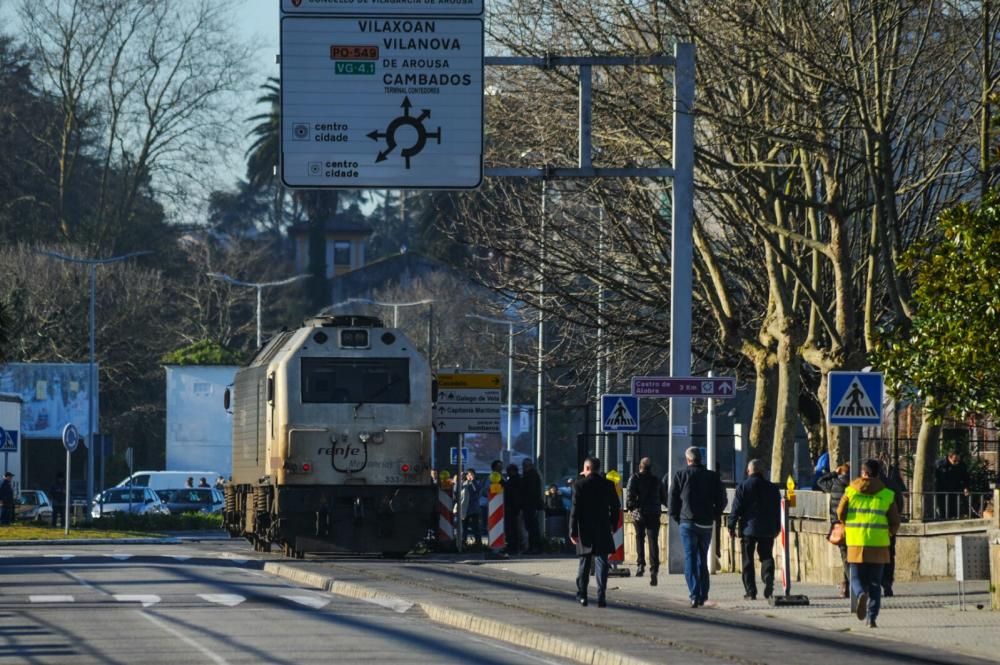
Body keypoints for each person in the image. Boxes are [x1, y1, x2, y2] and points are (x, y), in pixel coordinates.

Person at [837, 459, 901, 628]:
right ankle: (871, 618)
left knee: (855, 577)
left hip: (856, 542)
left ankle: (859, 594)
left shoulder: (851, 491)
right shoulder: (887, 494)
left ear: (863, 473)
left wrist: (848, 526)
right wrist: (887, 533)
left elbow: (840, 512)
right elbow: (895, 521)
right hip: (879, 545)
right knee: (875, 583)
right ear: (877, 474)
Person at [668, 446, 727, 608]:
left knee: (690, 557)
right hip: (706, 523)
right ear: (701, 460)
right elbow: (722, 500)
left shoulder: (680, 475)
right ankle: (703, 593)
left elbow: (672, 501)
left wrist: (677, 517)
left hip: (687, 522)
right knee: (702, 557)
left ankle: (694, 594)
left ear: (688, 460)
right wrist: (715, 514)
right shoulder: (713, 477)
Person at [727, 459, 781, 600]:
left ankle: (751, 592)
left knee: (747, 560)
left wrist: (731, 525)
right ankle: (767, 575)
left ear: (748, 471)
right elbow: (777, 510)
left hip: (748, 529)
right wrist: (776, 527)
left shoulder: (743, 487)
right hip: (767, 528)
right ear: (763, 472)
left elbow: (736, 509)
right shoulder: (773, 488)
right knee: (766, 555)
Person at [570, 457, 620, 608]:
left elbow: (574, 510)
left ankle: (583, 595)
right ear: (598, 469)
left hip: (584, 529)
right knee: (602, 563)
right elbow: (615, 507)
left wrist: (572, 531)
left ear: (586, 468)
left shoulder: (579, 485)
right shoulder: (608, 484)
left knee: (584, 563)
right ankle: (601, 596)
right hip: (603, 528)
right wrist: (613, 524)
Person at [625, 457, 667, 586]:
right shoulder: (657, 480)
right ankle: (654, 568)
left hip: (640, 513)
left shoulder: (635, 478)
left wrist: (631, 508)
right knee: (653, 540)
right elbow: (664, 497)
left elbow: (629, 497)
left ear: (640, 466)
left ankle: (640, 565)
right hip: (654, 512)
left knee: (639, 537)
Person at [816, 463, 851, 597]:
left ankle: (851, 585)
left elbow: (819, 481)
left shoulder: (835, 483)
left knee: (845, 556)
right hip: (852, 525)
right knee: (849, 557)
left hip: (838, 525)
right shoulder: (854, 485)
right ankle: (847, 586)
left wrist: (834, 473)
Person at [879, 462, 907, 597]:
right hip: (888, 528)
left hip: (871, 530)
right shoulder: (891, 485)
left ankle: (875, 583)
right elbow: (900, 503)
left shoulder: (866, 487)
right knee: (889, 556)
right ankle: (887, 583)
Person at [934, 451, 970, 519]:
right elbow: (935, 477)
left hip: (955, 489)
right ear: (949, 458)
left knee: (954, 509)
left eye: (958, 460)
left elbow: (966, 477)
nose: (957, 462)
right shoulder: (939, 464)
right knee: (943, 509)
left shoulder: (961, 465)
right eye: (955, 460)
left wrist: (966, 487)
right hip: (942, 490)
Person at [521, 459, 544, 554]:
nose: (524, 467)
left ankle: (534, 547)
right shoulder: (533, 475)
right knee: (532, 527)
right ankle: (534, 547)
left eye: (525, 465)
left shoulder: (530, 476)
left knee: (532, 527)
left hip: (530, 505)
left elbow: (532, 492)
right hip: (531, 505)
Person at [504, 464, 523, 554]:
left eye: (509, 471)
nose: (508, 473)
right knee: (513, 528)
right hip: (514, 507)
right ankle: (514, 546)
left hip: (512, 508)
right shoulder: (516, 480)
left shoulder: (514, 481)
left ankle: (513, 547)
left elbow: (514, 495)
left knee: (512, 529)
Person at [459, 470, 482, 545]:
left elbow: (477, 490)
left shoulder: (477, 482)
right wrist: (460, 478)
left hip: (474, 508)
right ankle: (463, 541)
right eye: (468, 474)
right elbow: (457, 491)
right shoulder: (464, 483)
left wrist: (473, 481)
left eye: (471, 474)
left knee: (475, 526)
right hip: (465, 508)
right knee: (464, 527)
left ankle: (478, 542)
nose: (469, 476)